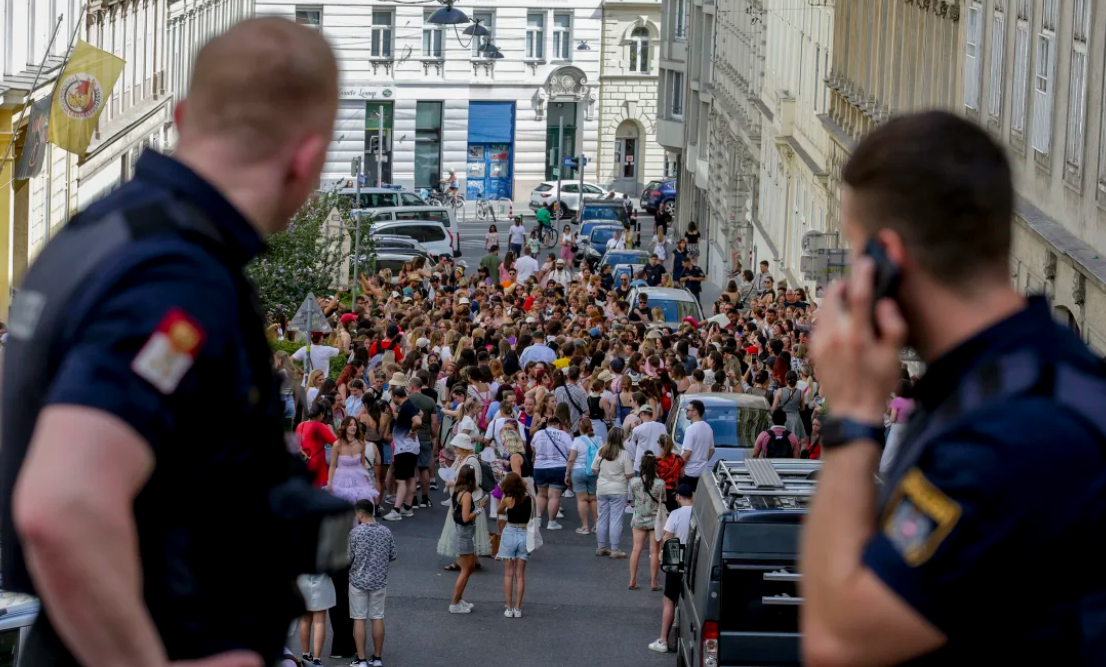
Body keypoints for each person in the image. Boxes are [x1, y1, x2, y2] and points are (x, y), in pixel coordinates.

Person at [801, 111, 1106, 666]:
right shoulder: (1034, 376)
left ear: (886, 261)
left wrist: (849, 413)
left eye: (854, 252)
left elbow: (837, 641)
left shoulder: (1008, 433)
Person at [347, 499, 396, 667]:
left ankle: (361, 660)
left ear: (360, 514)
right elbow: (393, 555)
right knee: (377, 617)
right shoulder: (385, 531)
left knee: (359, 618)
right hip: (379, 581)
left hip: (358, 581)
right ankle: (377, 657)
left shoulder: (355, 533)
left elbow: (348, 557)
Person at [649, 483, 694, 653]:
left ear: (678, 497)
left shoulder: (675, 514)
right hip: (695, 564)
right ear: (693, 496)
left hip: (676, 563)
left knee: (669, 600)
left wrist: (662, 555)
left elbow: (667, 537)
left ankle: (663, 640)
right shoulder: (701, 513)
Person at [592, 427, 633, 559]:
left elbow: (594, 469)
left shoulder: (601, 451)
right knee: (616, 519)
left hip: (602, 488)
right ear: (621, 438)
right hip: (618, 489)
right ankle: (614, 548)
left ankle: (601, 547)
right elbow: (630, 474)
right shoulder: (624, 454)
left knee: (602, 517)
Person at [495, 472, 533, 618]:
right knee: (520, 574)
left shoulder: (508, 499)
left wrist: (504, 499)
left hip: (510, 532)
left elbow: (499, 512)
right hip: (524, 533)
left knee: (508, 573)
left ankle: (508, 607)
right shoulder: (529, 499)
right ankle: (518, 608)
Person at [628, 452, 666, 591]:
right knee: (654, 551)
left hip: (638, 519)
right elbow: (663, 500)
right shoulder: (660, 483)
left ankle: (632, 580)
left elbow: (633, 499)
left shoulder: (634, 482)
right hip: (654, 520)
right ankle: (654, 583)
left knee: (636, 549)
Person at [382, 387, 421, 520]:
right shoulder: (409, 406)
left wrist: (412, 430)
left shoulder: (406, 407)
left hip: (404, 449)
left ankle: (396, 509)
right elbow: (417, 416)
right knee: (410, 478)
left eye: (393, 397)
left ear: (396, 397)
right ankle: (408, 507)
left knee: (401, 480)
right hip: (409, 448)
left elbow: (418, 421)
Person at [448, 465, 482, 613]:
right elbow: (466, 517)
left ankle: (459, 599)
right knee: (466, 569)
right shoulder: (467, 495)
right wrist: (479, 510)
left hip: (460, 532)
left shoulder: (457, 491)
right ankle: (454, 603)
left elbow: (453, 512)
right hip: (464, 534)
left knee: (469, 568)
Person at [530, 415, 573, 530]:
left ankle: (538, 520)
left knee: (541, 494)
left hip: (540, 467)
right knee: (554, 496)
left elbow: (533, 448)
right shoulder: (564, 434)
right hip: (558, 467)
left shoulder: (538, 434)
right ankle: (552, 522)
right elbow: (570, 450)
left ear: (547, 424)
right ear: (558, 425)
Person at [566, 417, 601, 535]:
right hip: (593, 471)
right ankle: (597, 526)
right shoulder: (599, 440)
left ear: (580, 428)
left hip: (578, 471)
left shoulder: (577, 441)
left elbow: (571, 459)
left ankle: (585, 527)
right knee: (593, 499)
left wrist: (567, 474)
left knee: (582, 499)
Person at [678, 399, 714, 490]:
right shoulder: (708, 428)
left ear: (695, 412)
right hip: (702, 473)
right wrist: (702, 461)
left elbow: (687, 453)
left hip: (689, 473)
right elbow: (712, 451)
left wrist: (680, 467)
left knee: (685, 499)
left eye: (688, 410)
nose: (686, 412)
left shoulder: (691, 429)